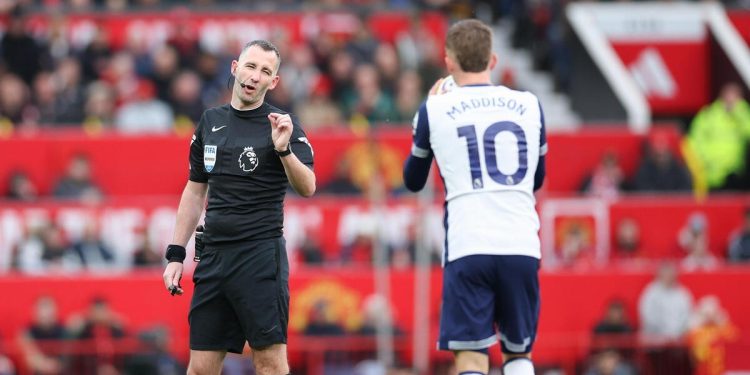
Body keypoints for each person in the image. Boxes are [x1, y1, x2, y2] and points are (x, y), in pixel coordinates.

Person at [161, 40, 316, 375]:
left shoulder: (282, 124)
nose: (255, 76)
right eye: (250, 66)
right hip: (213, 257)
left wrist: (284, 151)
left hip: (260, 257)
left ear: (273, 82)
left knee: (270, 362)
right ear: (235, 68)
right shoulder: (210, 121)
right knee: (200, 367)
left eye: (265, 71)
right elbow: (194, 190)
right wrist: (176, 254)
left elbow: (308, 187)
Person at [402, 19, 547, 375]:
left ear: (448, 62)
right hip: (521, 243)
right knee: (519, 355)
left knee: (470, 357)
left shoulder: (434, 109)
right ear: (493, 60)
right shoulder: (529, 104)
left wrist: (420, 130)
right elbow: (537, 179)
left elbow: (413, 180)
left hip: (469, 243)